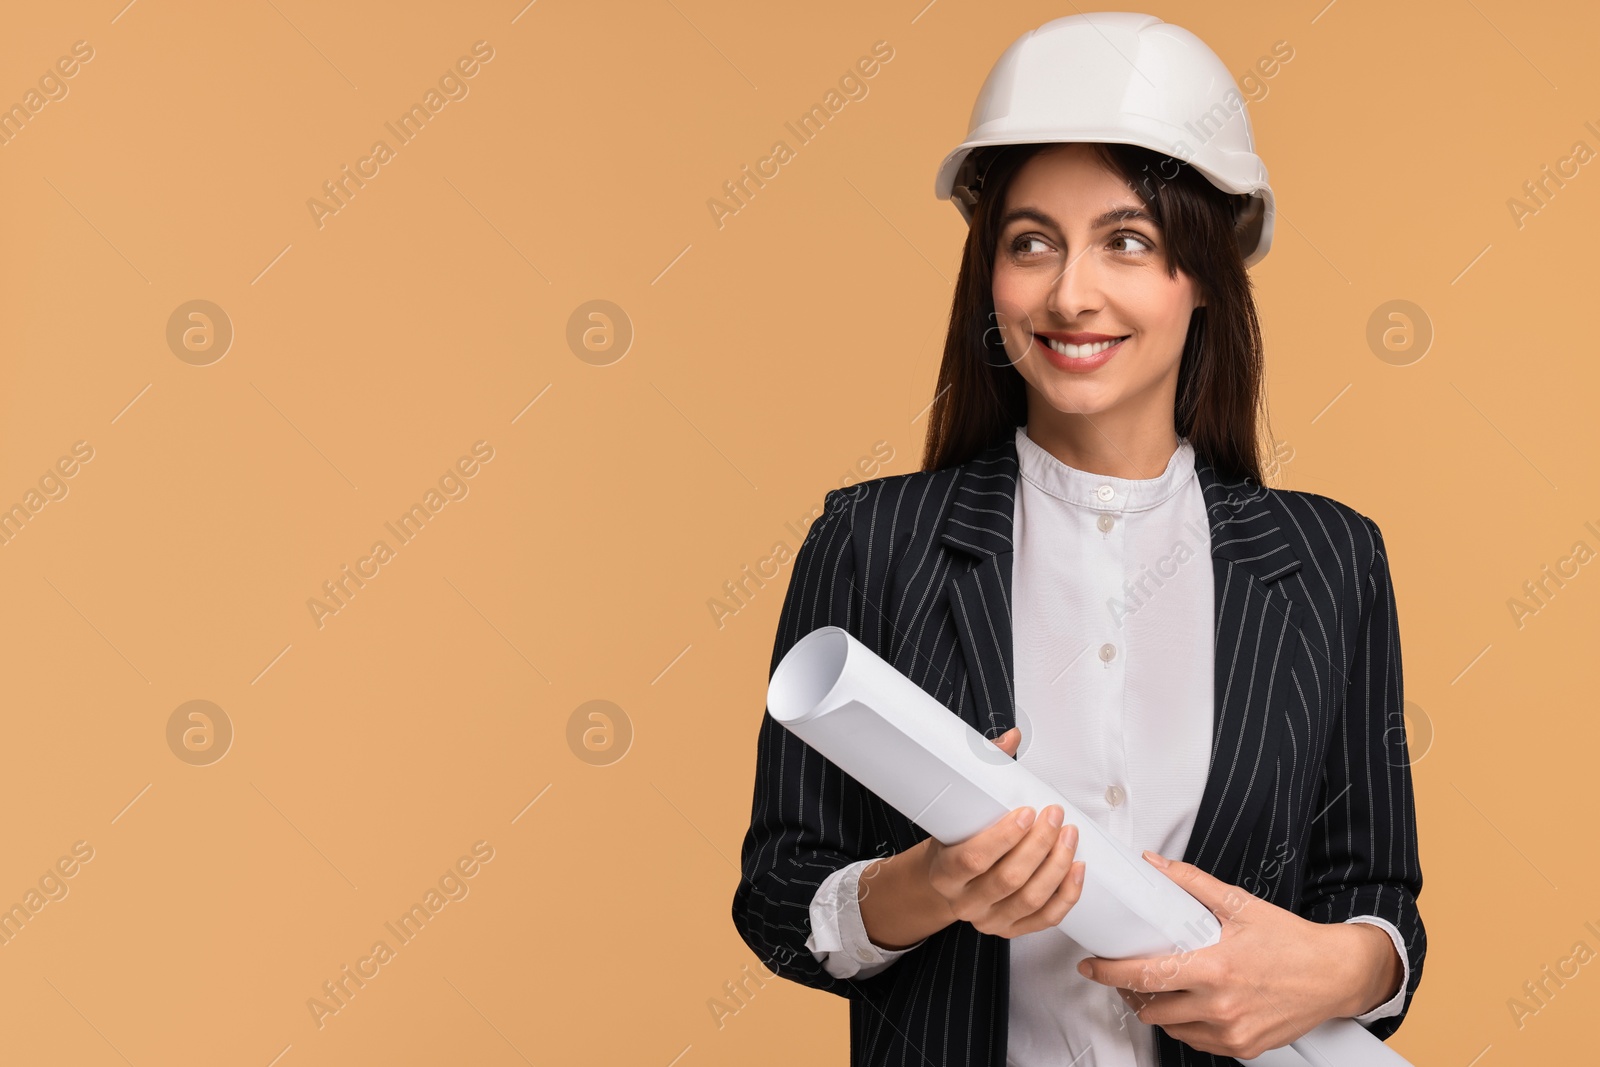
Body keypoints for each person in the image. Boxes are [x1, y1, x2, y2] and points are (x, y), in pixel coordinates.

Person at [730, 13, 1424, 1067]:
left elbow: (1375, 897)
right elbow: (779, 897)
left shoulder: (1329, 560)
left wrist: (1336, 968)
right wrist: (927, 886)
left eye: (1127, 241)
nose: (1069, 293)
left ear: (1204, 273)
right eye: (1031, 242)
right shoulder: (871, 543)